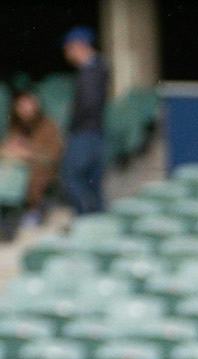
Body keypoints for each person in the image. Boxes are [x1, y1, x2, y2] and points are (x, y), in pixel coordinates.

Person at [57, 26, 104, 219]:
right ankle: (96, 223)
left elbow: (88, 104)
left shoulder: (91, 70)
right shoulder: (96, 67)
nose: (67, 54)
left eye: (69, 48)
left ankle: (86, 221)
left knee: (72, 177)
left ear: (79, 46)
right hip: (93, 133)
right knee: (91, 182)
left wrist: (71, 129)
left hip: (85, 133)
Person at [0, 91, 59, 241]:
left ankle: (26, 215)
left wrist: (29, 153)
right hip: (14, 175)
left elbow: (52, 156)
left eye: (28, 104)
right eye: (21, 105)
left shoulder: (48, 126)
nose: (25, 109)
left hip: (38, 172)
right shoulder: (17, 127)